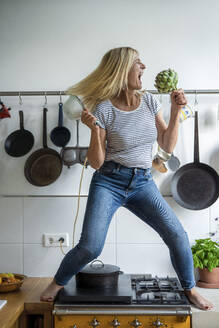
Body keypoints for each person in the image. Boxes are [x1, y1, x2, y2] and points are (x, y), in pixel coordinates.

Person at [41, 47, 213, 310]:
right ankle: (58, 282)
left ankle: (190, 290)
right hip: (109, 181)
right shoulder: (103, 109)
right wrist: (94, 129)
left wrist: (176, 111)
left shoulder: (150, 102)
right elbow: (96, 162)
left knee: (177, 235)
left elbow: (166, 146)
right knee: (90, 247)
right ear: (122, 70)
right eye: (137, 63)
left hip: (143, 182)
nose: (144, 67)